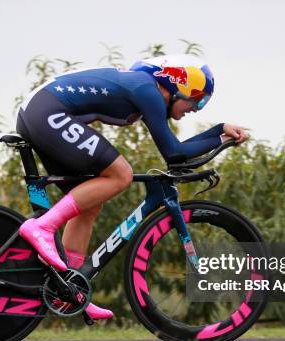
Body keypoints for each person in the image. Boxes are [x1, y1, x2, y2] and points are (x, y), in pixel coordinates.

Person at [15, 54, 249, 320]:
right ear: (177, 85)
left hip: (39, 113)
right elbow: (174, 153)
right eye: (197, 99)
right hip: (46, 113)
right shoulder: (146, 89)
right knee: (120, 175)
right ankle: (42, 227)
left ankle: (69, 286)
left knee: (89, 206)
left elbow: (176, 151)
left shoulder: (142, 88)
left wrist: (219, 132)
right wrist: (219, 134)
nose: (196, 108)